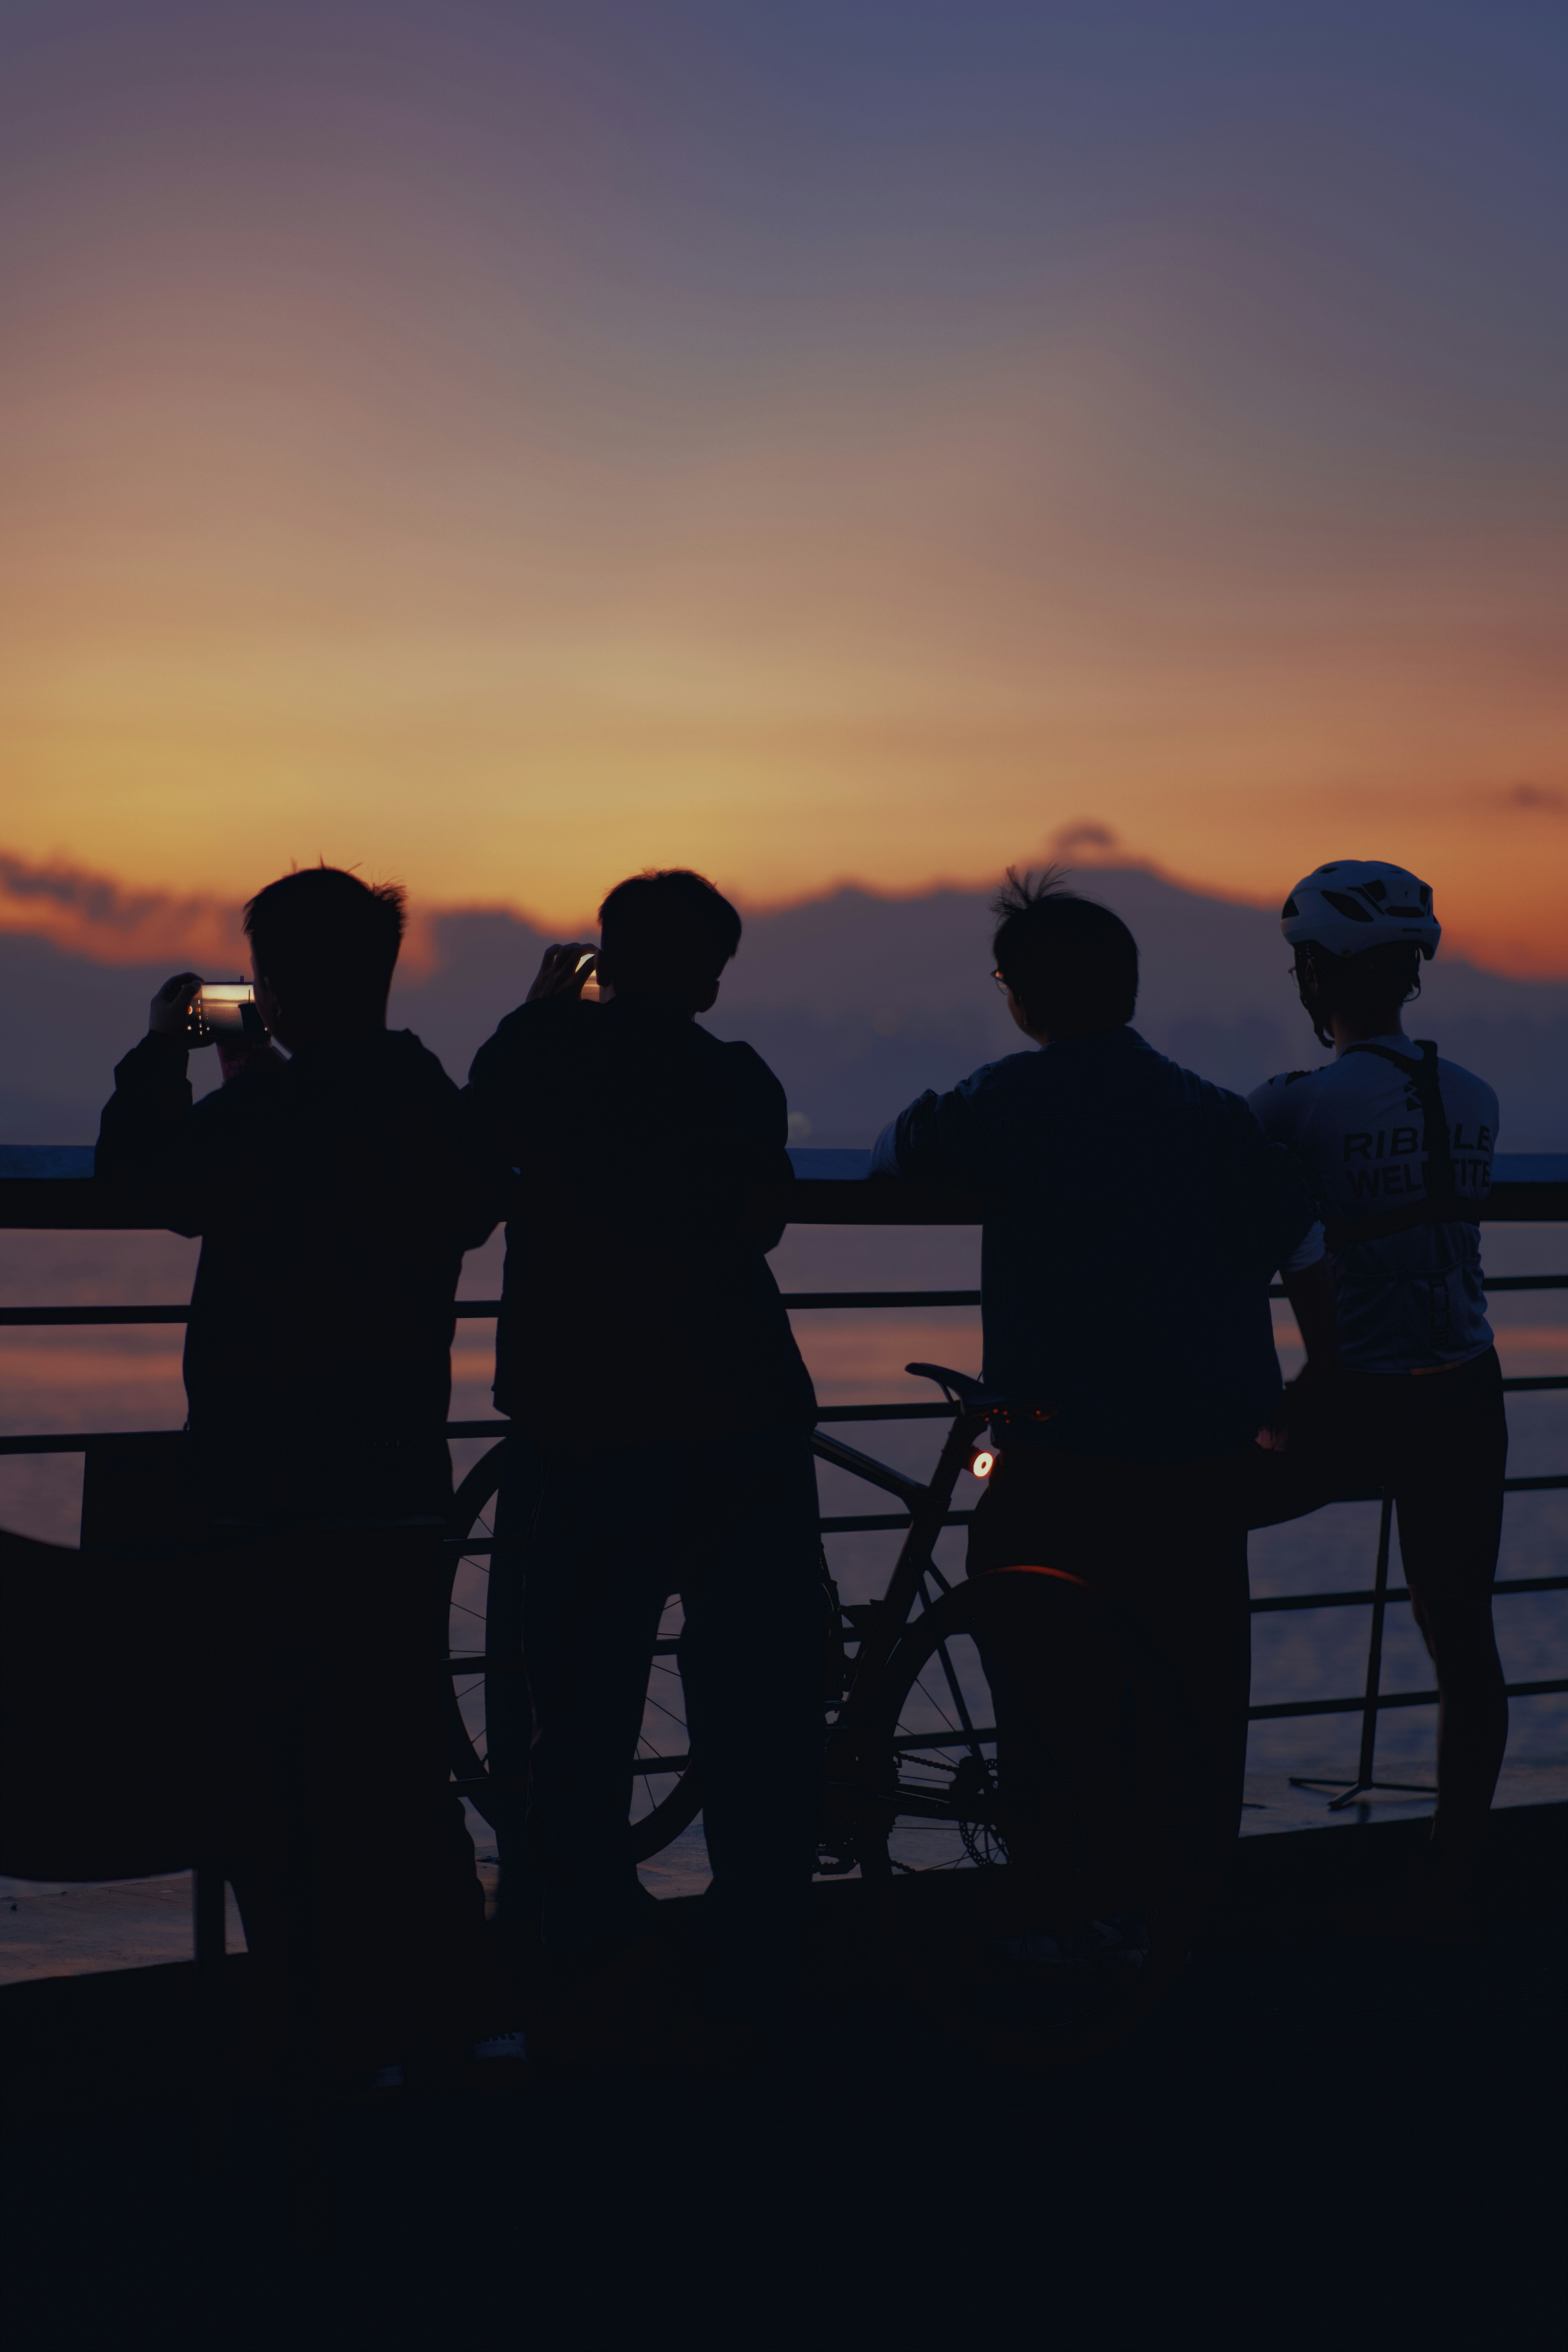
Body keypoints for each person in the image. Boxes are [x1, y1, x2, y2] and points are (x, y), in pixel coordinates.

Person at [96, 864, 523, 2087]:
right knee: (401, 1755)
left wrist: (160, 1051)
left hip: (258, 1489)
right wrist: (255, 1068)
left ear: (271, 989)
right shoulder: (424, 1101)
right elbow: (450, 1185)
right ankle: (472, 2015)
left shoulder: (263, 1119)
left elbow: (141, 1177)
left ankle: (337, 2027)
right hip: (395, 1482)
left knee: (271, 1765)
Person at [871, 868, 1332, 1934]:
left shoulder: (1007, 1102)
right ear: (1127, 991)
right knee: (1195, 1698)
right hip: (1204, 1461)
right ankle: (1183, 1916)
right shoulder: (1213, 1114)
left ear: (1025, 999)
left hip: (1062, 1461)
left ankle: (1064, 1912)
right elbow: (1302, 1236)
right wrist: (1324, 1373)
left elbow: (897, 1152)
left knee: (1050, 1695)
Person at [466, 869, 823, 2036]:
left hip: (592, 1420)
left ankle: (596, 1943)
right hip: (746, 1412)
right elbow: (762, 1222)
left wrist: (539, 1010)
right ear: (713, 976)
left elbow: (474, 1172)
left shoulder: (539, 1050)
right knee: (757, 1690)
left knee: (581, 1696)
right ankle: (759, 1930)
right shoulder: (737, 1076)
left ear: (603, 958)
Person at [1245, 859, 1507, 1915]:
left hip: (1351, 1396)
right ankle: (1458, 1860)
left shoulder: (1294, 1108)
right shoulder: (1479, 1096)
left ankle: (1171, 1802)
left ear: (1317, 977)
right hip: (1468, 1389)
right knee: (1465, 1634)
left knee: (1187, 1527)